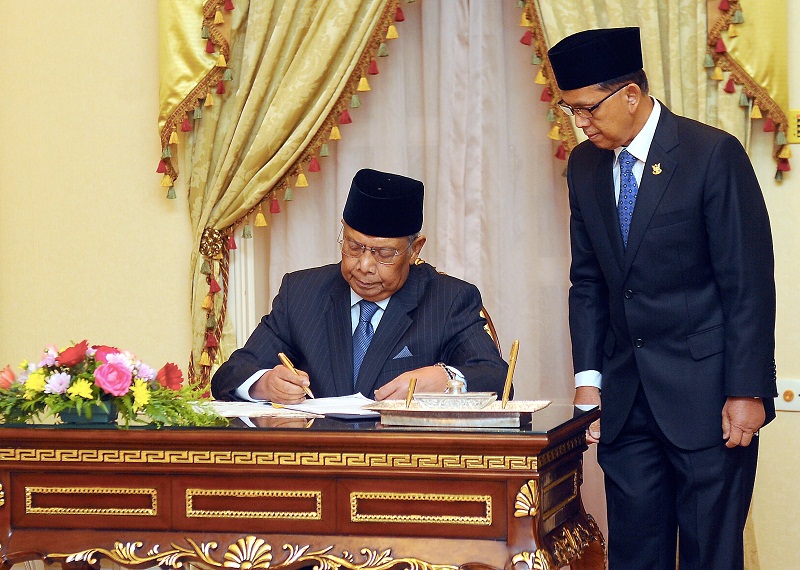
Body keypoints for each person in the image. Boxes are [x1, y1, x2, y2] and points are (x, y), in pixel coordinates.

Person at [548, 27, 777, 570]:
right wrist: (588, 384)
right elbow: (589, 282)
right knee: (635, 556)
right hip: (627, 406)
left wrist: (747, 389)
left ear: (630, 92)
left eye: (588, 109)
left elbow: (747, 283)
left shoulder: (710, 154)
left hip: (709, 402)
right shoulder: (583, 167)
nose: (580, 123)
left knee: (709, 556)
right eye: (571, 110)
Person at [211, 168, 508, 404]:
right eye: (354, 247)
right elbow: (230, 375)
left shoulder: (448, 300)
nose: (364, 265)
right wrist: (264, 384)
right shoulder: (301, 292)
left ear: (415, 250)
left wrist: (446, 379)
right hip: (319, 463)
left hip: (406, 467)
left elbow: (497, 379)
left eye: (383, 254)